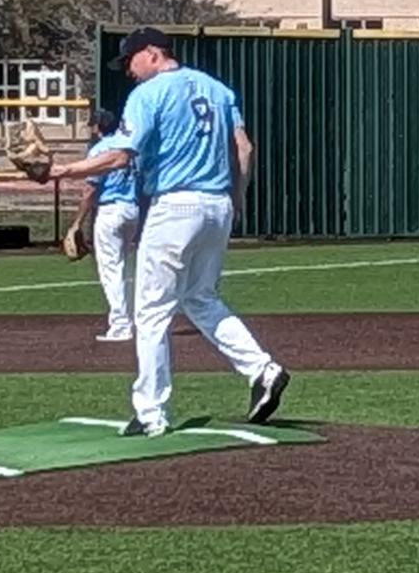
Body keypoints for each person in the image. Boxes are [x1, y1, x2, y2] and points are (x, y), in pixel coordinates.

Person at [46, 30, 288, 430]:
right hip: (217, 205)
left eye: (129, 61)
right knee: (200, 297)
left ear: (152, 54)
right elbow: (244, 148)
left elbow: (121, 156)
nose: (128, 70)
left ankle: (151, 412)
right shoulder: (216, 88)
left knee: (152, 310)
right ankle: (263, 369)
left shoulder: (149, 94)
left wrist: (63, 170)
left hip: (175, 205)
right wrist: (237, 198)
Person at [82, 145, 141, 345]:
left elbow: (90, 188)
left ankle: (121, 325)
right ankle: (134, 319)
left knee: (111, 270)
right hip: (132, 209)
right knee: (122, 267)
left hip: (110, 211)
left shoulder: (100, 149)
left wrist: (77, 223)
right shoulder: (132, 146)